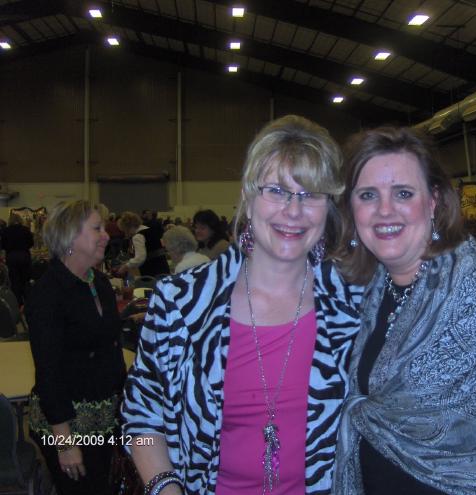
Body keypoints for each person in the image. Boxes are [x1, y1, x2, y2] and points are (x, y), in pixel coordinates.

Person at [122, 115, 362, 495]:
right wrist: (166, 489)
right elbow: (143, 416)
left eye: (311, 194)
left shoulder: (355, 306)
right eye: (277, 191)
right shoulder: (181, 303)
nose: (293, 211)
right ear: (249, 200)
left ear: (328, 208)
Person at [332, 127, 476, 495]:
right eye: (368, 195)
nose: (384, 210)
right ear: (352, 207)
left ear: (433, 201)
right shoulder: (374, 284)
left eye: (403, 193)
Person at [26, 200, 126, 495]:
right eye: (97, 228)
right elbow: (48, 373)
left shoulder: (100, 283)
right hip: (66, 426)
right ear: (70, 236)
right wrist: (65, 443)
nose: (106, 234)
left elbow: (110, 351)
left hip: (104, 421)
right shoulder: (48, 294)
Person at [115, 211, 170, 277]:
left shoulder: (138, 236)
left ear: (128, 227)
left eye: (124, 230)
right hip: (163, 266)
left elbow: (140, 258)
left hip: (152, 271)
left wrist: (126, 266)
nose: (125, 234)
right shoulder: (150, 230)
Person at [3, 212, 34, 305]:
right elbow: (31, 243)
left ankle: (18, 303)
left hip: (11, 257)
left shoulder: (6, 230)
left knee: (14, 281)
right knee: (25, 280)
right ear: (20, 220)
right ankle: (28, 301)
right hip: (24, 256)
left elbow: (3, 245)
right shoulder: (25, 229)